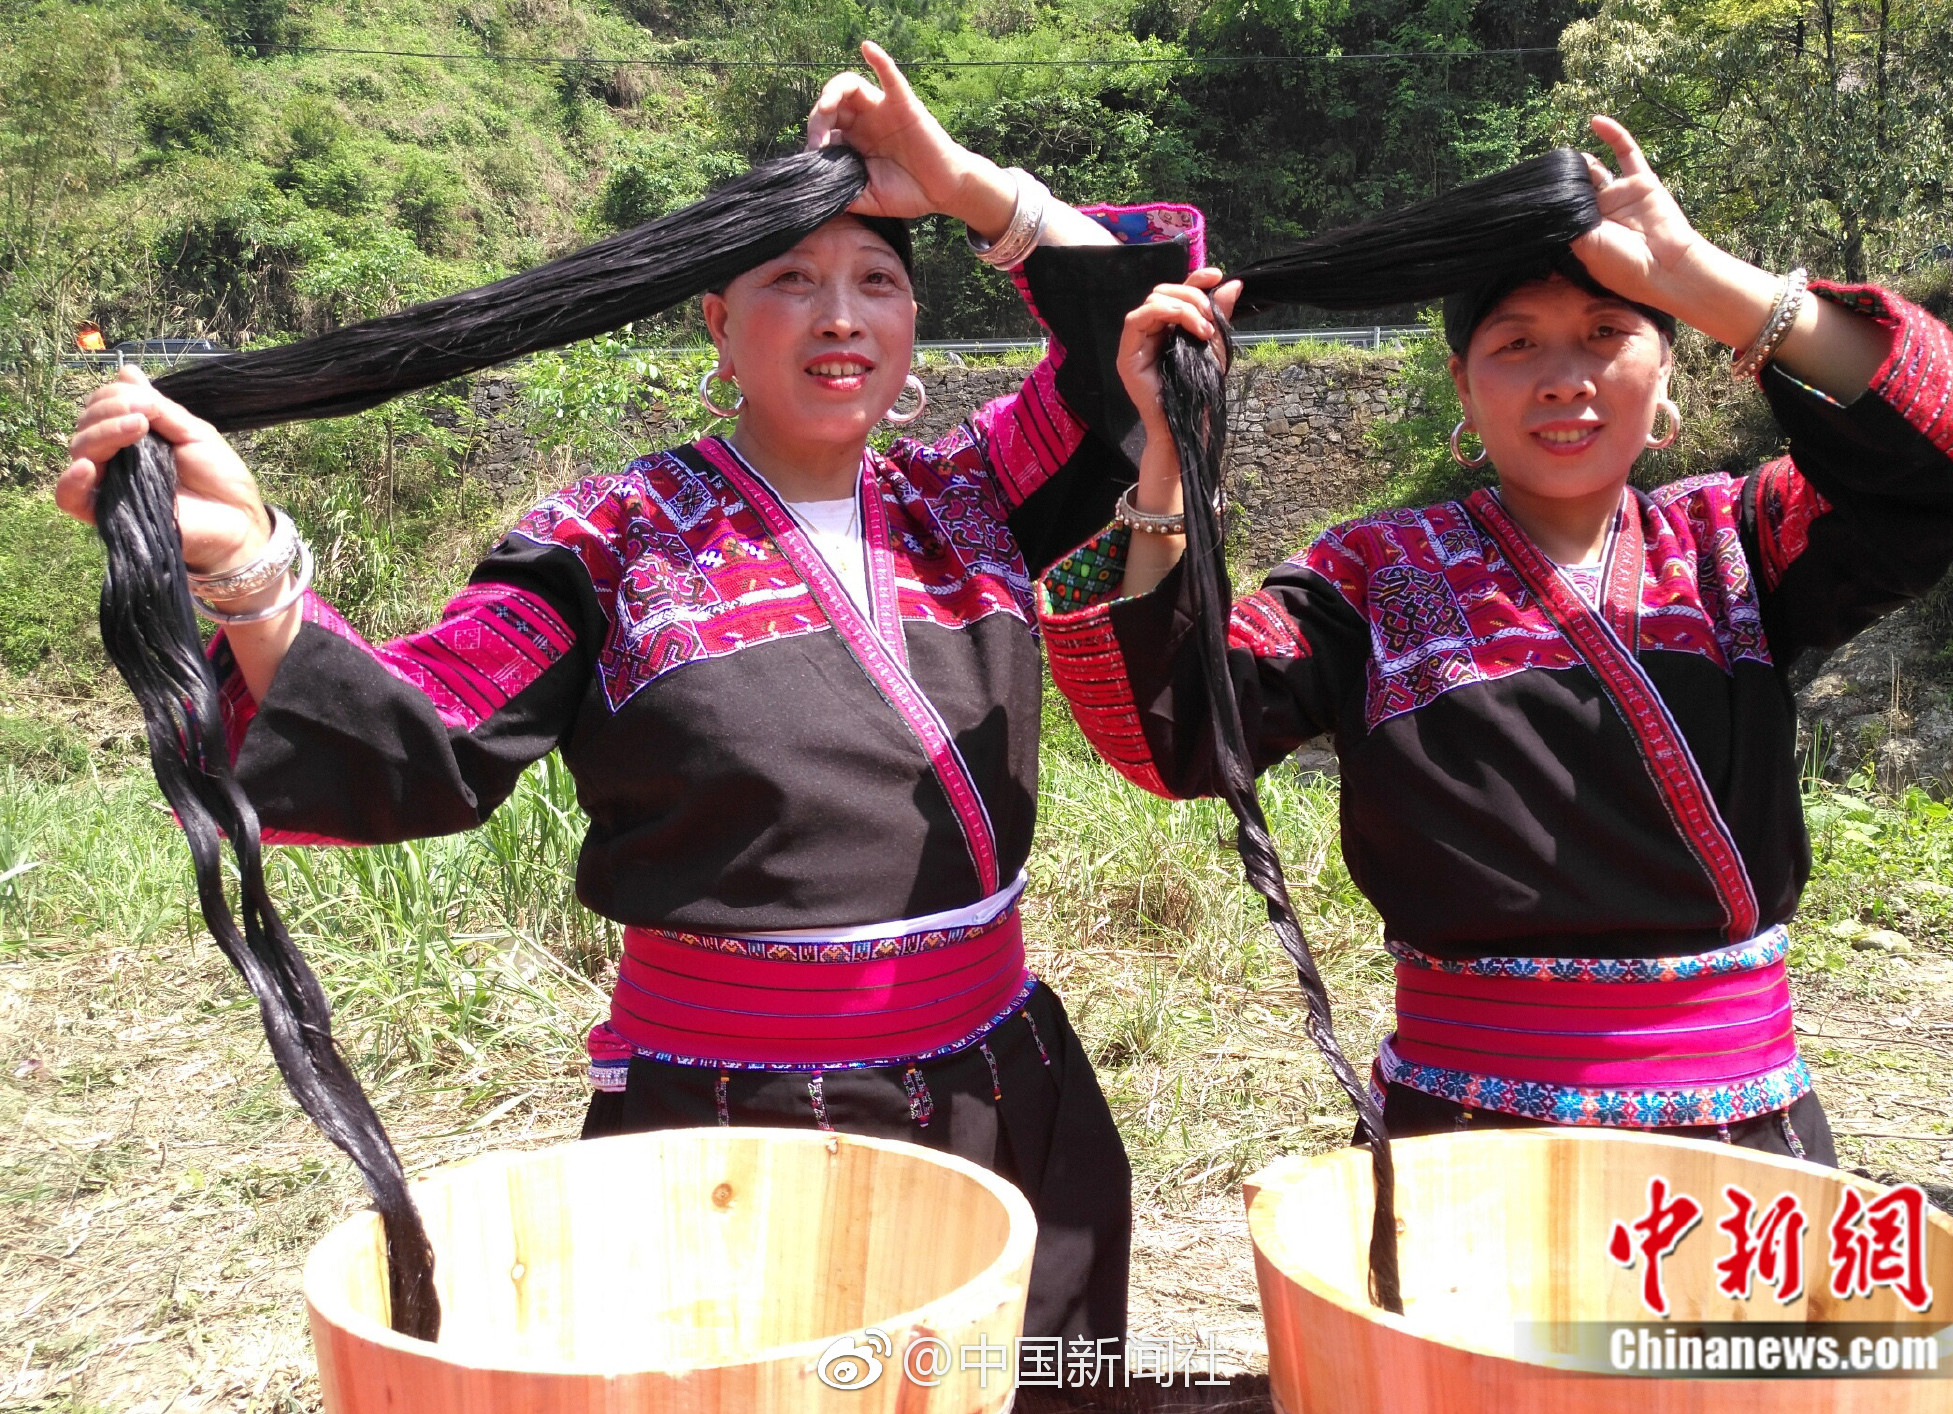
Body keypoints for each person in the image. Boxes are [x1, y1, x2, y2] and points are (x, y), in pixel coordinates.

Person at [55, 43, 1233, 1342]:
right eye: (791, 279)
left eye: (878, 280)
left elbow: (1151, 324)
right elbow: (424, 735)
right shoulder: (608, 540)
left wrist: (958, 183)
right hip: (728, 1128)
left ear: (912, 324)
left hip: (1006, 1100)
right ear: (718, 322)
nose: (842, 314)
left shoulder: (977, 491)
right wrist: (250, 563)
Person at [1042, 116, 1953, 1162]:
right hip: (1464, 1139)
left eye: (1608, 333)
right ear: (1464, 394)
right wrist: (1164, 456)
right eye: (1515, 344)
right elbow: (1170, 734)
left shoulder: (1738, 545)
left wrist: (1700, 277)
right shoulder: (1371, 575)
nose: (1564, 376)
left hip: (1740, 1138)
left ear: (1666, 385)